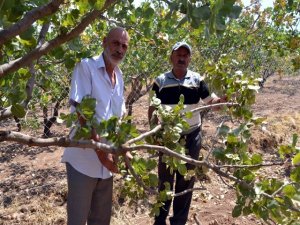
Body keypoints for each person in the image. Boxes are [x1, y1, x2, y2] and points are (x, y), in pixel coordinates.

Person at [148, 41, 226, 225]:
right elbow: (152, 108)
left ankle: (179, 221)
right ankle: (159, 221)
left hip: (192, 137)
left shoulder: (197, 80)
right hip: (168, 138)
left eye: (185, 55)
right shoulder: (160, 81)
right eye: (178, 55)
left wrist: (222, 101)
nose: (181, 58)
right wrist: (154, 131)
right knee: (165, 181)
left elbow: (211, 102)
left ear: (189, 59)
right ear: (171, 57)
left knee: (186, 181)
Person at [61, 27, 130, 225]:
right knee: (77, 219)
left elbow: (118, 117)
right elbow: (83, 112)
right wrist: (102, 154)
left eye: (124, 46)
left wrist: (123, 149)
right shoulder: (86, 67)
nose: (119, 49)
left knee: (101, 219)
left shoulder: (120, 76)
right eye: (116, 43)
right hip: (83, 160)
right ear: (104, 42)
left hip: (107, 162)